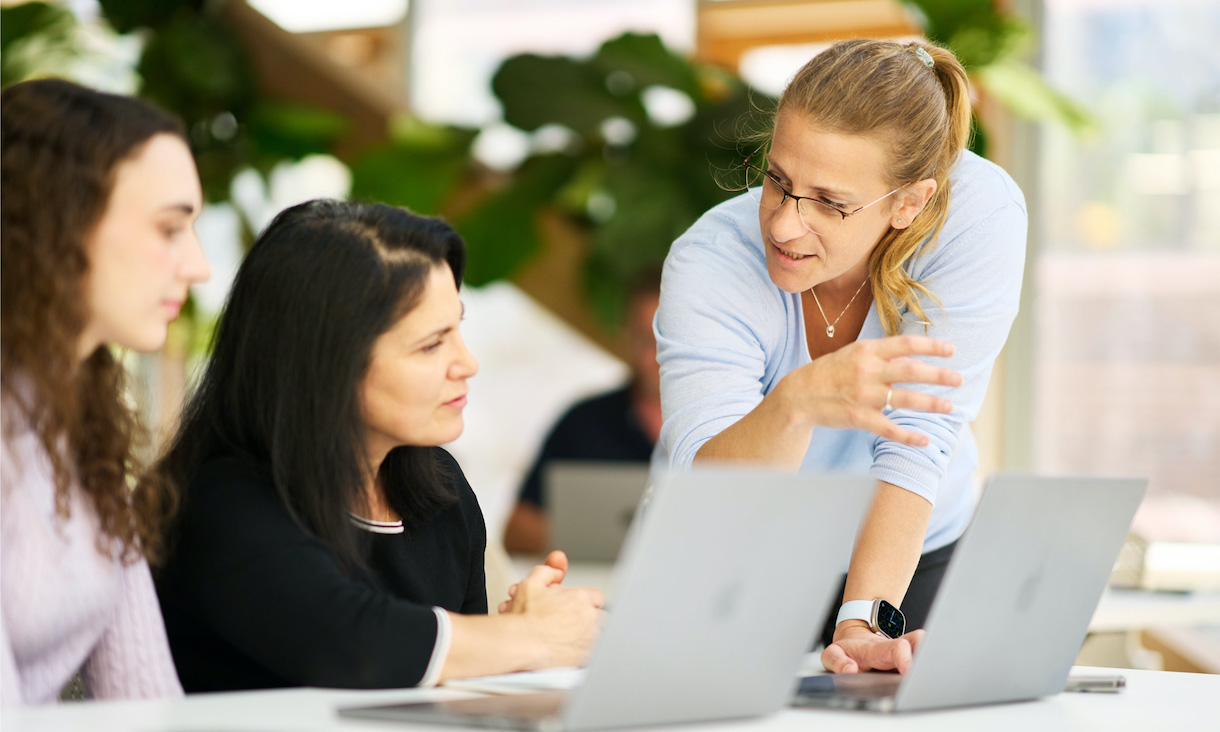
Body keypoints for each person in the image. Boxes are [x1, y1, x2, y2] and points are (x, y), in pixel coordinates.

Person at [654, 39, 1026, 674]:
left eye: (830, 202)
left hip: (909, 547)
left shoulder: (977, 217)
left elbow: (922, 434)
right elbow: (712, 495)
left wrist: (862, 619)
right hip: (739, 546)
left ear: (909, 204)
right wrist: (793, 406)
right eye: (777, 180)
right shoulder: (713, 262)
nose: (782, 226)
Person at [151, 199, 605, 692]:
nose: (467, 363)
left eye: (458, 329)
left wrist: (511, 640)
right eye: (431, 344)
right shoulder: (219, 499)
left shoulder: (442, 489)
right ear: (328, 363)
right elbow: (354, 644)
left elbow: (443, 689)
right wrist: (525, 637)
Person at [1, 79, 212, 706]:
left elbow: (147, 698)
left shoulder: (77, 418)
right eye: (170, 229)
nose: (198, 266)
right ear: (56, 221)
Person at [503, 273, 661, 555]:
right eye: (641, 339)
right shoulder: (584, 422)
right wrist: (597, 541)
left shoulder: (734, 422)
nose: (650, 359)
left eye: (663, 341)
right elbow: (517, 531)